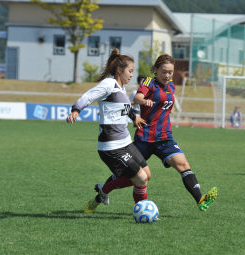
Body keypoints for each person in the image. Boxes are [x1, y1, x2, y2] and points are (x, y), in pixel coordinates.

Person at [99, 54, 218, 211]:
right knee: (128, 174)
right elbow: (137, 98)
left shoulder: (171, 86)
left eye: (170, 72)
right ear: (156, 70)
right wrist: (144, 101)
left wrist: (168, 109)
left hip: (164, 138)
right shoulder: (149, 81)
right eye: (164, 72)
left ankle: (200, 200)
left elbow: (168, 103)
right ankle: (103, 190)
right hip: (145, 138)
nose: (167, 75)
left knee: (183, 165)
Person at [66, 48, 150, 213]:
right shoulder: (108, 84)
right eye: (130, 71)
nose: (132, 75)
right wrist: (76, 109)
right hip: (111, 146)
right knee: (140, 178)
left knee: (147, 174)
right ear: (119, 70)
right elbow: (88, 96)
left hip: (125, 141)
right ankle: (138, 210)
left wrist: (134, 117)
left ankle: (103, 189)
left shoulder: (121, 88)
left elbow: (124, 108)